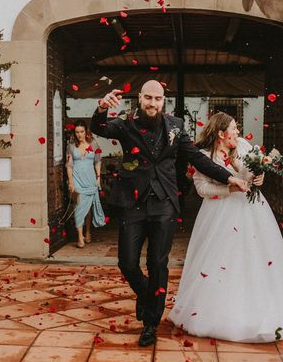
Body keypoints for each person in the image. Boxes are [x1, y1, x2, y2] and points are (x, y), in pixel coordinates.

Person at [90, 81, 248, 347]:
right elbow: (100, 128)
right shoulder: (126, 123)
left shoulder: (175, 126)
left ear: (164, 101)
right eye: (148, 98)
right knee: (127, 263)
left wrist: (229, 178)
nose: (153, 103)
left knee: (157, 264)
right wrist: (101, 108)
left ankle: (151, 324)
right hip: (133, 202)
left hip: (163, 203)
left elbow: (198, 159)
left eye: (158, 99)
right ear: (140, 98)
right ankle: (146, 295)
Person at [169, 113, 283, 342]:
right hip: (218, 213)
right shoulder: (203, 155)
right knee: (220, 260)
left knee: (257, 256)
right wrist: (229, 190)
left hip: (252, 209)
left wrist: (258, 176)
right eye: (233, 128)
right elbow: (202, 189)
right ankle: (217, 309)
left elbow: (252, 171)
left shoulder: (242, 145)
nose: (237, 132)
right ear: (221, 133)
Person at [65, 120, 106, 248]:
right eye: (77, 132)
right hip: (77, 179)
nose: (79, 134)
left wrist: (98, 177)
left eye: (82, 131)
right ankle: (79, 237)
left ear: (86, 131)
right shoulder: (71, 146)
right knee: (78, 207)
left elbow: (98, 161)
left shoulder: (93, 143)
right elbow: (69, 165)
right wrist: (71, 182)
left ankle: (87, 232)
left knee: (88, 209)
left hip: (90, 179)